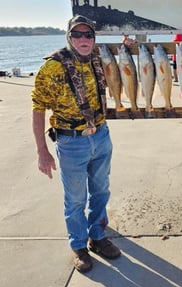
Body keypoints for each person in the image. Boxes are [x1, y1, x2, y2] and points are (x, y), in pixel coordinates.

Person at [32, 15, 121, 273]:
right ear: (69, 37)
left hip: (101, 136)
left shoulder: (96, 59)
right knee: (75, 199)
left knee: (101, 191)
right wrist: (42, 151)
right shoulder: (52, 67)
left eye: (88, 35)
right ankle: (79, 246)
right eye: (77, 35)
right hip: (71, 142)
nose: (83, 40)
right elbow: (38, 108)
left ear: (94, 38)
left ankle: (98, 237)